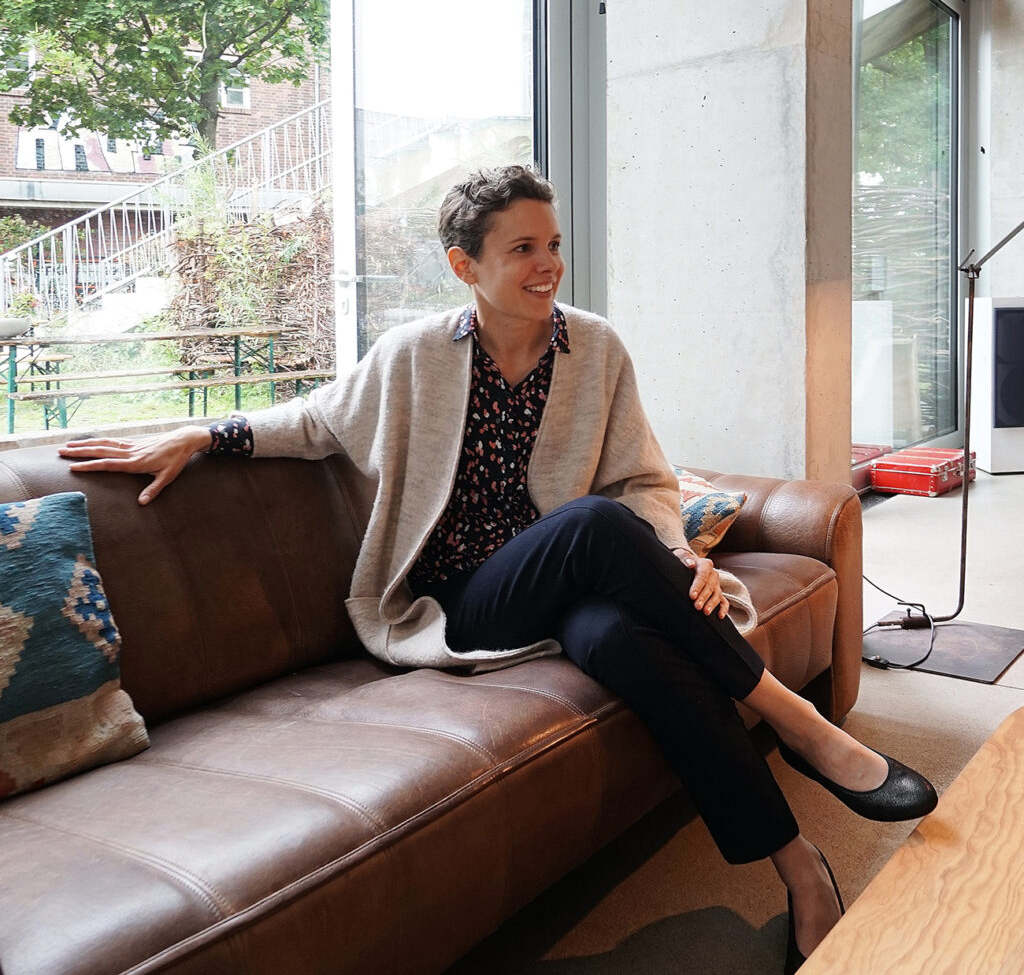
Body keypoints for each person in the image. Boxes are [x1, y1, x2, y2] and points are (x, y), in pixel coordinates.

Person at [59, 164, 936, 973]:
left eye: (553, 244)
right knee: (591, 524)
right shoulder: (416, 355)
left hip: (572, 592)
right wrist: (202, 434)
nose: (548, 263)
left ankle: (800, 868)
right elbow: (318, 421)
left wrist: (672, 551)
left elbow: (644, 478)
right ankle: (795, 721)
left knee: (633, 642)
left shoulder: (594, 349)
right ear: (463, 265)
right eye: (522, 248)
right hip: (462, 604)